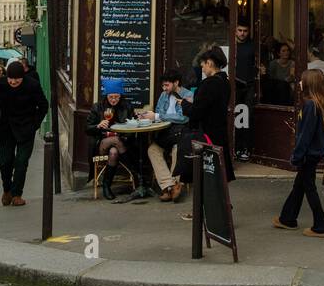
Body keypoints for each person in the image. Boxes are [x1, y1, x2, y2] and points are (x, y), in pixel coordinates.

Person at [274, 69, 324, 237]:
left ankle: (321, 226)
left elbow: (305, 135)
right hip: (314, 153)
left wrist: (297, 156)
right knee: (300, 186)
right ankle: (287, 218)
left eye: (302, 80)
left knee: (309, 188)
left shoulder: (310, 105)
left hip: (308, 154)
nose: (299, 83)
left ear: (309, 84)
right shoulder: (319, 103)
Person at [0, 60, 48, 207]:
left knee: (21, 162)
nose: (13, 82)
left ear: (23, 77)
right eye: (11, 78)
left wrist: (35, 125)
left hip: (26, 128)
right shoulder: (2, 83)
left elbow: (43, 105)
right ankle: (7, 190)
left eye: (17, 79)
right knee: (4, 161)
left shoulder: (32, 85)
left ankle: (17, 194)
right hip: (6, 127)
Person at [182, 46, 235, 184]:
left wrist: (183, 104)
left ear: (209, 63)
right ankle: (221, 205)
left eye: (203, 64)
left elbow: (196, 112)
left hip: (207, 136)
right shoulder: (225, 82)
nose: (202, 67)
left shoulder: (209, 84)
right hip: (220, 134)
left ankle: (212, 205)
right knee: (218, 179)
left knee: (207, 179)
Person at [140, 70, 190, 202]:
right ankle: (169, 185)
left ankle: (174, 185)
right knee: (152, 150)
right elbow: (158, 111)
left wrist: (158, 116)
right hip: (165, 133)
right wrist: (149, 116)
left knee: (177, 150)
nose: (164, 88)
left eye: (167, 85)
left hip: (180, 134)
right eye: (163, 86)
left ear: (176, 83)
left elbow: (183, 118)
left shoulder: (187, 95)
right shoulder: (163, 95)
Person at [86, 78, 137, 201]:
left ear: (120, 96)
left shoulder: (127, 106)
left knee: (114, 152)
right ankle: (136, 174)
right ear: (106, 96)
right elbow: (87, 128)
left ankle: (106, 186)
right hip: (101, 143)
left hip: (121, 142)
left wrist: (132, 122)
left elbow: (134, 124)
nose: (114, 100)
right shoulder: (97, 107)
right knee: (115, 141)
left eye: (116, 97)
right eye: (111, 97)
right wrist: (98, 126)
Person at [232, 22, 259, 161]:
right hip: (234, 86)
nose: (242, 33)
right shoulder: (231, 45)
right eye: (240, 30)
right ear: (235, 31)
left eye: (245, 30)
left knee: (246, 117)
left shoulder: (252, 46)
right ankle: (236, 148)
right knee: (235, 117)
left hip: (248, 86)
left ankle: (245, 148)